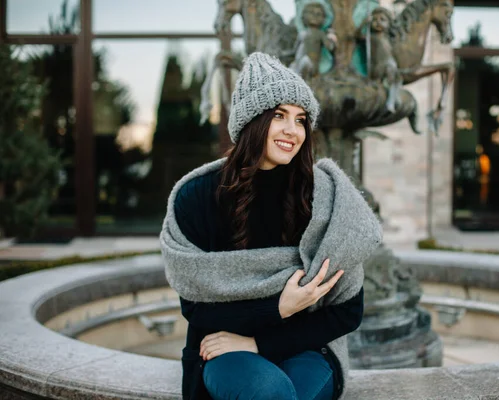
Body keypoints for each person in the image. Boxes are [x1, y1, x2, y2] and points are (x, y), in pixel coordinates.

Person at [160, 52, 382, 400]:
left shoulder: (322, 197)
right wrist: (280, 307)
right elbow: (197, 306)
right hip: (222, 348)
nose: (293, 131)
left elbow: (347, 310)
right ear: (252, 120)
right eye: (279, 115)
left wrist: (259, 342)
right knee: (272, 393)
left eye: (301, 119)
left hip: (306, 346)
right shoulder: (197, 196)